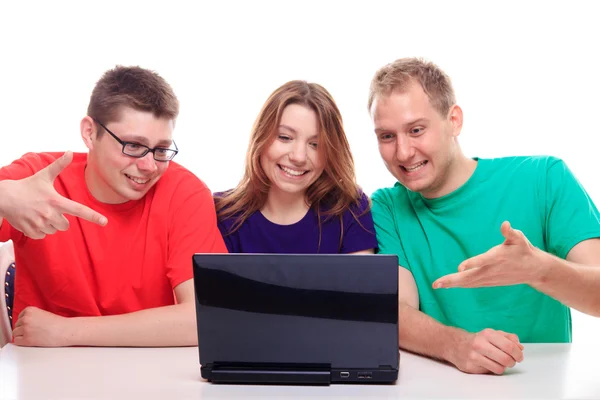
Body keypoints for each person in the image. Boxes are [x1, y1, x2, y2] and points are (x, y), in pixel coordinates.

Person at [368, 57, 600, 375]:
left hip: (538, 384)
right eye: (387, 136)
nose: (404, 152)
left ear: (454, 120)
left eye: (416, 130)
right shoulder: (387, 207)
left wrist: (538, 269)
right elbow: (395, 310)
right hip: (439, 386)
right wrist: (456, 346)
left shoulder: (545, 178)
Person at [0, 66, 227, 347]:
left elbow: (205, 318)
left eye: (161, 150)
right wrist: (3, 197)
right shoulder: (38, 177)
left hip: (152, 374)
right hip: (48, 375)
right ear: (89, 133)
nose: (149, 166)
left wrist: (67, 332)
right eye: (133, 145)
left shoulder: (185, 192)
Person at [215, 80, 377, 255]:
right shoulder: (221, 213)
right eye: (285, 137)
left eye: (315, 144)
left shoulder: (350, 210)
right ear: (260, 137)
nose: (298, 157)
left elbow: (361, 281)